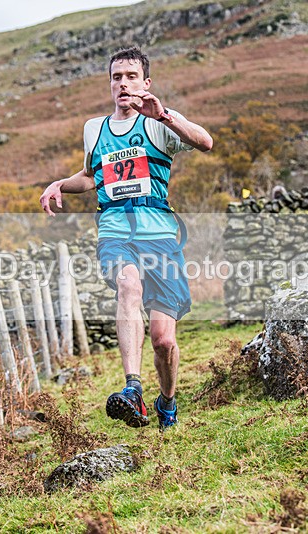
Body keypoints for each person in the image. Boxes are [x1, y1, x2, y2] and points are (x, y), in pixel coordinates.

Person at [39, 47, 213, 431]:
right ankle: (132, 388)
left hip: (161, 237)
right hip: (116, 231)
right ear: (110, 83)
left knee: (164, 341)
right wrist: (60, 184)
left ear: (145, 82)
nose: (123, 84)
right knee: (126, 283)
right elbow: (90, 176)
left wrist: (164, 115)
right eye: (116, 77)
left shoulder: (158, 121)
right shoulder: (94, 128)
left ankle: (166, 402)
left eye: (131, 76)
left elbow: (205, 142)